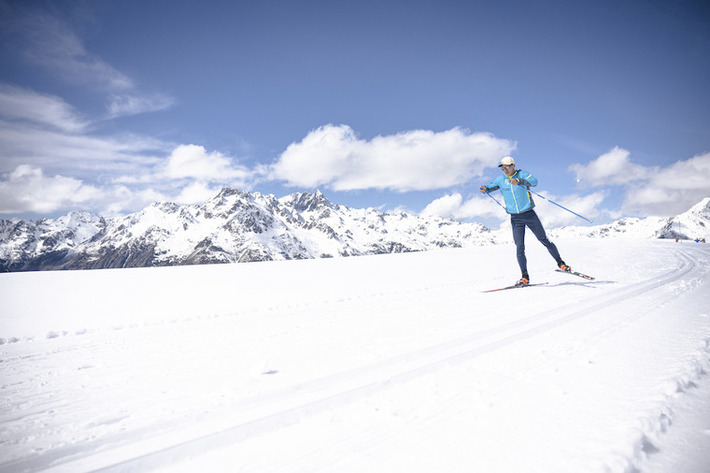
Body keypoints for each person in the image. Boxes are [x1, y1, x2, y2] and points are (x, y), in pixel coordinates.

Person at [479, 156, 571, 286]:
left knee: (543, 239)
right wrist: (484, 189)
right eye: (502, 168)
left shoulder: (522, 174)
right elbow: (489, 187)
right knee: (519, 247)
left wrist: (519, 181)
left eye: (507, 167)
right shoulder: (501, 179)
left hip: (529, 214)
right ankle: (525, 277)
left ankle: (561, 263)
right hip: (515, 218)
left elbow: (534, 182)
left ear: (513, 165)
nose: (505, 170)